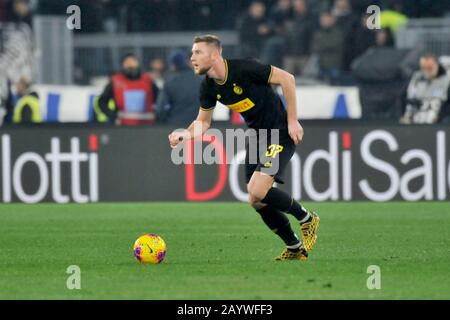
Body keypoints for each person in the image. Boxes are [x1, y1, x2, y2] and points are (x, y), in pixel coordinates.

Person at [168, 35, 320, 261]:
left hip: (279, 132)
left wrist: (292, 120)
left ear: (215, 54)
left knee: (258, 190)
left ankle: (307, 218)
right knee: (255, 199)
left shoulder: (245, 68)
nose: (192, 58)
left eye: (198, 52)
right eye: (192, 53)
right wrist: (185, 134)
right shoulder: (208, 87)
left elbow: (287, 78)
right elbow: (203, 122)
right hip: (258, 137)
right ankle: (295, 247)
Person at [97, 53, 158, 125]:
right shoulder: (115, 82)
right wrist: (113, 116)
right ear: (123, 65)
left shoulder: (148, 81)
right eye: (128, 63)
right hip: (123, 125)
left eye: (133, 62)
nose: (131, 65)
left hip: (147, 124)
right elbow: (102, 102)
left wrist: (156, 115)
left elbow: (159, 99)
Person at [155, 49, 202, 126]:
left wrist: (165, 120)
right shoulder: (200, 81)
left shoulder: (170, 83)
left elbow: (160, 110)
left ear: (173, 65)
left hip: (176, 125)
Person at [400, 54, 450, 124]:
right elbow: (403, 97)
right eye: (424, 68)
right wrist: (403, 115)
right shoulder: (416, 78)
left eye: (430, 68)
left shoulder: (446, 80)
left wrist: (440, 116)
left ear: (436, 65)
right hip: (417, 116)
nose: (427, 71)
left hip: (438, 119)